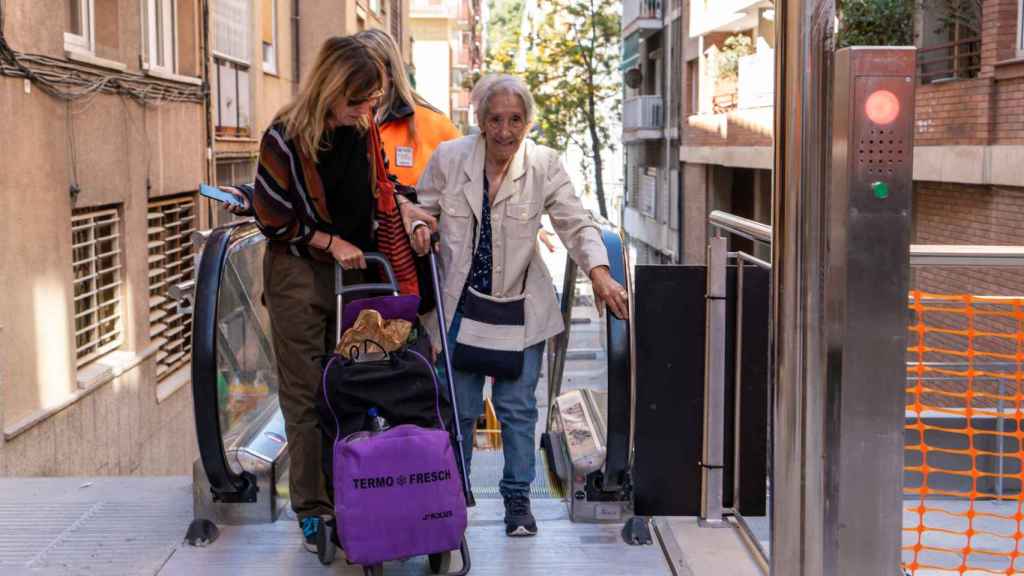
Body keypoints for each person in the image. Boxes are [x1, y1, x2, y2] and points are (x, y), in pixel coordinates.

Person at [410, 74, 629, 537]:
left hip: (520, 309)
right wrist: (420, 227)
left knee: (517, 410)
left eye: (515, 120)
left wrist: (600, 272)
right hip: (459, 307)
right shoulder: (450, 158)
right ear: (480, 122)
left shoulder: (545, 164)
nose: (505, 130)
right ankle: (453, 498)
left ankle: (516, 501)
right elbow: (421, 207)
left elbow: (575, 223)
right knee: (460, 409)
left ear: (527, 122)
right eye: (495, 119)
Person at [248, 35, 435, 552]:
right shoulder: (285, 136)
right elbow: (269, 215)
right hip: (300, 274)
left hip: (356, 275)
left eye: (372, 100)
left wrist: (405, 208)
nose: (366, 110)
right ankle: (313, 508)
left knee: (352, 383)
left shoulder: (362, 130)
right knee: (306, 394)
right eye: (356, 100)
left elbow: (380, 186)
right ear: (330, 89)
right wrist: (328, 241)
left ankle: (354, 492)